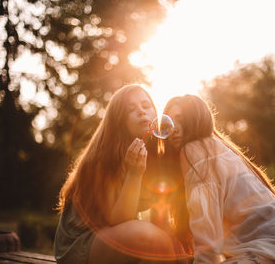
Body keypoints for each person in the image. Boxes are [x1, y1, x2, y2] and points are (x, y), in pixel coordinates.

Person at [163, 94, 275, 264]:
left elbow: (207, 237)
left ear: (196, 120)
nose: (175, 128)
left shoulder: (193, 150)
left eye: (181, 120)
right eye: (170, 122)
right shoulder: (219, 146)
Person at [54, 84, 188, 264]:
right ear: (119, 120)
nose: (141, 111)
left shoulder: (152, 155)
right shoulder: (103, 156)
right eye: (131, 109)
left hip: (117, 240)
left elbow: (160, 216)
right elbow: (118, 221)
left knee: (174, 251)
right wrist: (134, 174)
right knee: (152, 239)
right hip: (81, 245)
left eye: (146, 106)